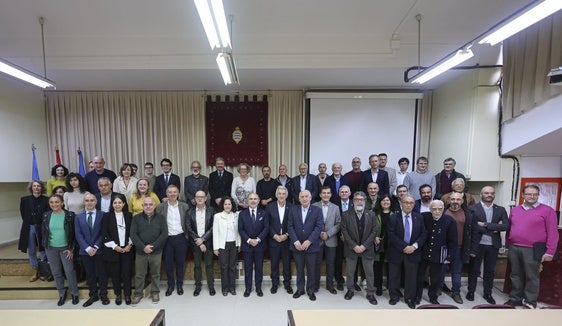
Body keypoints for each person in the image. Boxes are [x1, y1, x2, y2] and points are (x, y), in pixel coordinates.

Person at [504, 184, 559, 309]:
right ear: (523, 195)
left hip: (533, 249)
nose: (532, 196)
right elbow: (510, 229)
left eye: (535, 194)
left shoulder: (547, 211)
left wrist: (550, 251)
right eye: (529, 194)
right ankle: (515, 299)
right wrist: (507, 246)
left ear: (538, 195)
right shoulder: (515, 210)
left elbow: (552, 232)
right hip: (514, 247)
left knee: (531, 276)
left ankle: (530, 301)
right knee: (515, 274)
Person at [466, 186, 509, 304]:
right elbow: (472, 227)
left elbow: (505, 226)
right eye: (486, 193)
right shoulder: (472, 209)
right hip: (477, 244)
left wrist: (485, 225)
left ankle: (487, 293)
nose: (489, 195)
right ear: (481, 194)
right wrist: (495, 227)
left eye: (491, 193)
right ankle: (471, 291)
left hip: (493, 246)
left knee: (490, 271)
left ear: (494, 195)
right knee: (474, 270)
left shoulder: (501, 210)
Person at [386, 195, 426, 309]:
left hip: (413, 252)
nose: (408, 205)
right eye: (406, 202)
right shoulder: (393, 218)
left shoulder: (419, 217)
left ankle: (409, 298)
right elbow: (391, 235)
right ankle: (394, 297)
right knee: (394, 276)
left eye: (411, 203)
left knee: (411, 277)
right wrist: (404, 247)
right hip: (396, 251)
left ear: (414, 204)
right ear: (401, 204)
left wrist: (414, 246)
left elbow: (423, 234)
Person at [341, 191, 379, 305]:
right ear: (353, 201)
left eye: (361, 199)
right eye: (357, 199)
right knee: (350, 272)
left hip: (367, 249)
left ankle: (371, 293)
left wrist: (363, 246)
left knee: (369, 273)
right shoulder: (346, 214)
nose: (359, 201)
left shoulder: (371, 214)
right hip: (351, 248)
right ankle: (350, 290)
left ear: (365, 201)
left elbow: (374, 231)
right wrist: (354, 246)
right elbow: (345, 232)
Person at [41, 194, 80, 306]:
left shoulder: (70, 215)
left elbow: (74, 234)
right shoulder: (46, 215)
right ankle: (62, 293)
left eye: (57, 202)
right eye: (52, 202)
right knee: (56, 272)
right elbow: (44, 232)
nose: (54, 204)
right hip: (51, 248)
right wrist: (45, 245)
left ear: (62, 203)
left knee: (69, 271)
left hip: (66, 248)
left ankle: (74, 293)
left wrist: (71, 249)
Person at [416, 200, 457, 304]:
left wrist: (449, 256)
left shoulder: (449, 221)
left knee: (435, 278)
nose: (437, 211)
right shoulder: (423, 217)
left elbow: (452, 241)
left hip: (439, 254)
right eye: (434, 209)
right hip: (423, 253)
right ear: (430, 209)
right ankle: (417, 296)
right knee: (419, 277)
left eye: (440, 209)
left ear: (443, 209)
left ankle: (433, 297)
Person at [130, 197, 168, 305]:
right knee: (139, 274)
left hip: (156, 251)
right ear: (142, 206)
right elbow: (133, 235)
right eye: (145, 204)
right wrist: (143, 247)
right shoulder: (136, 218)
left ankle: (155, 292)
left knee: (155, 273)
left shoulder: (161, 218)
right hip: (141, 252)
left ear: (154, 206)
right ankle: (138, 294)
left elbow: (164, 234)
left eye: (150, 204)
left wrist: (153, 246)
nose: (148, 206)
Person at [288, 190, 323, 301]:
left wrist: (309, 241)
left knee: (311, 270)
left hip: (311, 246)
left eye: (306, 196)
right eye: (302, 196)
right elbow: (290, 226)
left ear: (310, 198)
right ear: (299, 198)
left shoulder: (317, 210)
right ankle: (300, 289)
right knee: (299, 269)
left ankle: (311, 290)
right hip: (297, 245)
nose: (304, 198)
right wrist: (295, 241)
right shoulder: (293, 209)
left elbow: (318, 227)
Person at [74, 194, 109, 307]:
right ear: (84, 202)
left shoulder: (103, 215)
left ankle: (104, 295)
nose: (89, 203)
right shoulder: (78, 217)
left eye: (92, 200)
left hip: (99, 250)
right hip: (85, 251)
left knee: (102, 273)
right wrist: (88, 248)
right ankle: (93, 295)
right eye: (87, 201)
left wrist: (95, 246)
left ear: (96, 202)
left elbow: (103, 233)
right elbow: (78, 235)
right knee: (90, 274)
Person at [155, 185, 189, 297]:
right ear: (167, 194)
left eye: (175, 192)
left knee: (180, 263)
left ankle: (179, 285)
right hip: (167, 239)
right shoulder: (161, 207)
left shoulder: (184, 206)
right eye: (170, 192)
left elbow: (188, 223)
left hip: (181, 238)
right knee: (168, 264)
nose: (172, 194)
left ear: (178, 193)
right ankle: (170, 286)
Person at [102, 193, 134, 305]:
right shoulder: (106, 216)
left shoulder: (129, 216)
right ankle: (118, 294)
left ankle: (128, 294)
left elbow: (133, 232)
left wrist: (129, 244)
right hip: (113, 250)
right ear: (112, 204)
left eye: (119, 202)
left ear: (124, 203)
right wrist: (115, 247)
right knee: (115, 274)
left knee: (127, 273)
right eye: (115, 203)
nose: (117, 205)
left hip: (127, 250)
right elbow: (105, 234)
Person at [442, 191, 474, 304]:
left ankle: (455, 292)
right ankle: (437, 289)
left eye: (458, 199)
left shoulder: (468, 213)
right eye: (453, 199)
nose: (455, 201)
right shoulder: (442, 211)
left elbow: (472, 232)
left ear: (462, 201)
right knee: (440, 271)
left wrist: (471, 248)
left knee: (456, 272)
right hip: (444, 248)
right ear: (449, 200)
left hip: (460, 248)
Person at [238, 193, 269, 297]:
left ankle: (258, 288)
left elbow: (266, 228)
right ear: (247, 201)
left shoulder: (263, 213)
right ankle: (248, 288)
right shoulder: (242, 214)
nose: (253, 201)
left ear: (259, 200)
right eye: (251, 199)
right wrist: (249, 240)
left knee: (259, 268)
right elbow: (240, 229)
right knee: (248, 268)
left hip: (259, 245)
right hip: (247, 246)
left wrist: (258, 239)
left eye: (255, 199)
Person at [186, 190, 216, 296]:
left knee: (209, 265)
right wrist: (199, 241)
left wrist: (203, 239)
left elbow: (213, 227)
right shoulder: (189, 211)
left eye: (202, 197)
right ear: (194, 198)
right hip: (195, 243)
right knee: (197, 266)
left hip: (208, 242)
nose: (200, 198)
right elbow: (189, 228)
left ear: (206, 198)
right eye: (197, 196)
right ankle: (198, 286)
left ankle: (211, 286)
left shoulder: (212, 210)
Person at [19, 180, 50, 282]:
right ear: (31, 188)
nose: (36, 188)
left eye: (38, 186)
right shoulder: (24, 200)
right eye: (34, 186)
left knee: (42, 249)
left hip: (42, 227)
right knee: (31, 250)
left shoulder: (47, 200)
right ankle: (34, 271)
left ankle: (43, 272)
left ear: (41, 188)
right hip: (29, 227)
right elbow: (23, 214)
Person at [313, 186, 341, 294]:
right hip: (317, 240)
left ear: (331, 195)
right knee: (317, 263)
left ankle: (330, 285)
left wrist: (328, 234)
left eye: (328, 193)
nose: (326, 195)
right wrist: (319, 233)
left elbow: (339, 223)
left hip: (331, 240)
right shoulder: (314, 206)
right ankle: (316, 285)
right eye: (323, 193)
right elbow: (312, 223)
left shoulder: (336, 207)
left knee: (330, 264)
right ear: (320, 195)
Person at [266, 186, 293, 294]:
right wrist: (274, 235)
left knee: (287, 263)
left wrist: (287, 235)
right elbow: (267, 224)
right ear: (276, 195)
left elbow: (293, 223)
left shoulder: (292, 207)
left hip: (287, 240)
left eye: (283, 194)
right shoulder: (269, 207)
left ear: (286, 195)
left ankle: (287, 284)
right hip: (274, 240)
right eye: (279, 194)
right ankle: (274, 284)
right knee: (274, 263)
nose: (281, 196)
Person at [212, 196, 241, 296]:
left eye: (229, 204)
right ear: (222, 205)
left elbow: (239, 231)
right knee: (224, 267)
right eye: (225, 204)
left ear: (232, 205)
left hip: (234, 244)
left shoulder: (236, 215)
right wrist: (215, 247)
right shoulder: (217, 216)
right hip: (222, 245)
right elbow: (215, 232)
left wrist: (239, 244)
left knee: (232, 267)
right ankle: (224, 289)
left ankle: (232, 288)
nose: (227, 206)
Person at [373, 194, 396, 296]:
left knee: (391, 268)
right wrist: (374, 237)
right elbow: (370, 228)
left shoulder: (395, 214)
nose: (385, 202)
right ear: (380, 202)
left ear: (391, 202)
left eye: (387, 200)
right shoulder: (374, 213)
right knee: (377, 266)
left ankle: (391, 288)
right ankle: (378, 287)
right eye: (383, 200)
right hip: (378, 243)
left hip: (391, 244)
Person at [334, 185, 353, 290]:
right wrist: (341, 233)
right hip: (338, 236)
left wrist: (347, 235)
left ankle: (353, 282)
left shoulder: (354, 204)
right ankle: (339, 280)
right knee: (338, 259)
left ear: (350, 193)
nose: (344, 193)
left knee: (352, 259)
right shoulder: (335, 205)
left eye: (346, 192)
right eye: (342, 192)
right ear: (339, 193)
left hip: (352, 237)